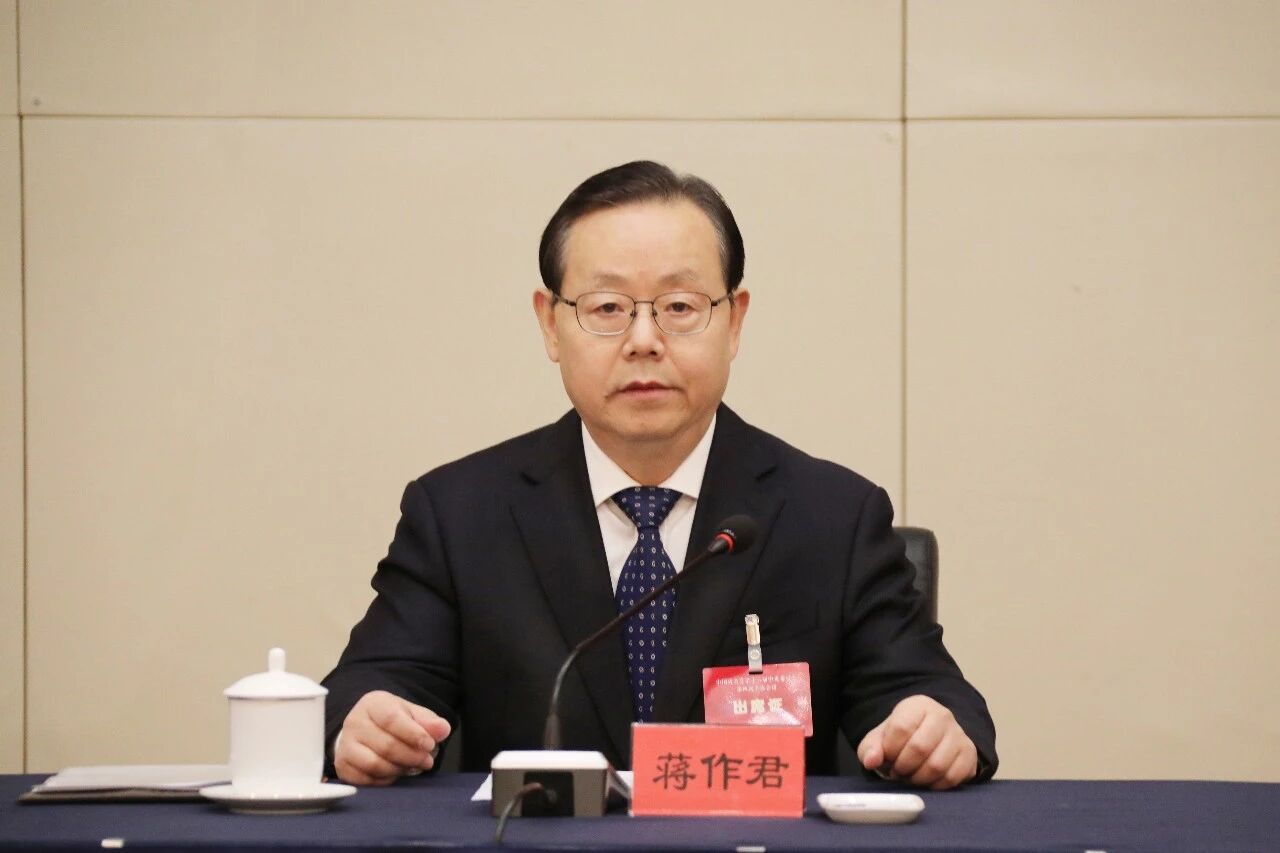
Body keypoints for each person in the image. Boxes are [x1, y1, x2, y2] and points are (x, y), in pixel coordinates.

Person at [322, 161, 997, 790]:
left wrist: (933, 728)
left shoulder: (833, 516)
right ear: (550, 325)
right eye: (607, 308)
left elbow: (933, 696)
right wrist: (366, 722)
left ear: (734, 321)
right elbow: (369, 687)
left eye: (678, 307)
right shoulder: (460, 514)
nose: (644, 340)